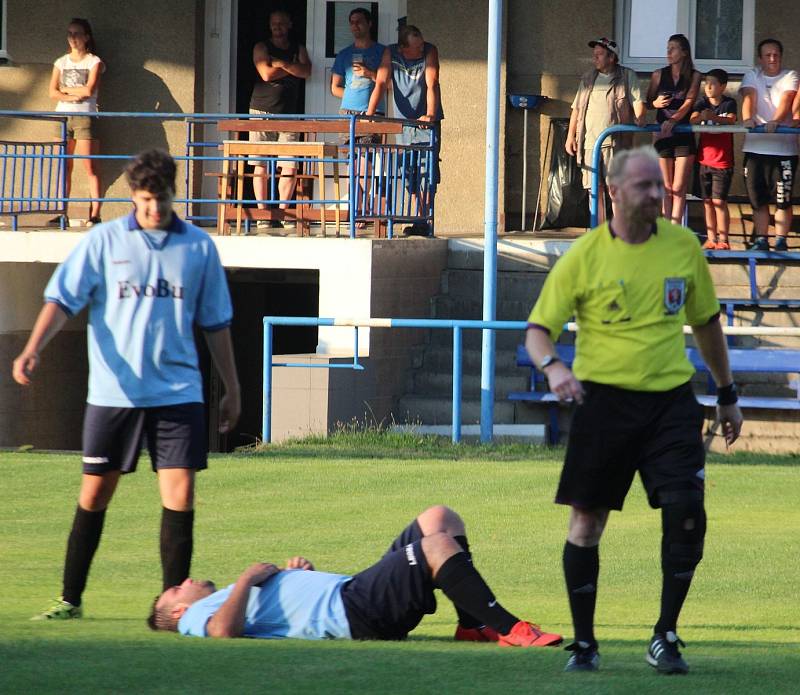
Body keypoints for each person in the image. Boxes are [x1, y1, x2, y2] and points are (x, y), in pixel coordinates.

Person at [525, 146, 743, 674]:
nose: (657, 193)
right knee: (587, 521)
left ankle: (665, 635)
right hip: (604, 403)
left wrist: (727, 392)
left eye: (659, 184)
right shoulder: (584, 256)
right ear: (615, 192)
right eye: (645, 185)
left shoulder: (684, 247)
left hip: (671, 402)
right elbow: (538, 332)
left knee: (687, 513)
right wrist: (555, 368)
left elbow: (707, 323)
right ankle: (584, 644)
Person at [13, 149, 241, 620]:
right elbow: (61, 298)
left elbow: (216, 323)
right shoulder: (105, 242)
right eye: (144, 200)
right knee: (95, 493)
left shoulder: (198, 248)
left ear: (173, 194)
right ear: (133, 197)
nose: (154, 209)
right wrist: (33, 346)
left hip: (178, 394)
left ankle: (171, 609)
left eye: (161, 199)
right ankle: (69, 599)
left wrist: (232, 388)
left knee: (180, 495)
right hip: (113, 395)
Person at [148, 504, 563, 648]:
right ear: (180, 609)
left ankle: (472, 626)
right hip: (357, 613)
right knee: (436, 546)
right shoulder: (195, 619)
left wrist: (294, 577)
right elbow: (223, 633)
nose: (180, 581)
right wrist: (246, 578)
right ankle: (511, 629)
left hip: (352, 592)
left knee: (440, 519)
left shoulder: (224, 601)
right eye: (172, 590)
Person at [369, 25, 443, 237]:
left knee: (426, 170)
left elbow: (432, 82)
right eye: (416, 47)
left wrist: (429, 114)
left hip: (425, 121)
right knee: (408, 170)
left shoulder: (430, 50)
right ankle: (419, 219)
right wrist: (370, 114)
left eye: (421, 45)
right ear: (402, 48)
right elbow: (381, 82)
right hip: (404, 122)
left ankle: (424, 219)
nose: (420, 50)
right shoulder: (391, 53)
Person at [565, 37, 645, 223]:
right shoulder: (588, 79)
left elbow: (638, 102)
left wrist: (640, 117)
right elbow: (576, 109)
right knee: (594, 189)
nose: (595, 58)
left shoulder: (626, 76)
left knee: (615, 188)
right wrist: (571, 136)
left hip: (614, 144)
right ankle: (599, 233)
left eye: (600, 55)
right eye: (594, 55)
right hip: (589, 144)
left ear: (612, 57)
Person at [248, 10, 312, 232]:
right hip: (261, 111)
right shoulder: (262, 47)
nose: (278, 27)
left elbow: (306, 71)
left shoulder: (298, 47)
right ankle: (264, 214)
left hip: (289, 114)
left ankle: (284, 212)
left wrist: (281, 64)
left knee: (289, 164)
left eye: (282, 23)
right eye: (274, 24)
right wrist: (290, 67)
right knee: (260, 163)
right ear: (269, 26)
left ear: (290, 24)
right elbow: (265, 74)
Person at [740, 38, 798, 252]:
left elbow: (787, 99)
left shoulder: (789, 76)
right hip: (755, 149)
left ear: (781, 56)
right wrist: (747, 118)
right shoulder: (752, 75)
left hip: (783, 149)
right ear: (760, 58)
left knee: (783, 198)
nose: (772, 58)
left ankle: (781, 240)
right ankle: (762, 239)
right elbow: (749, 97)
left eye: (776, 54)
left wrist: (775, 120)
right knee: (757, 199)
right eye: (768, 55)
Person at [331, 7, 386, 229]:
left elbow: (388, 84)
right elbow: (334, 88)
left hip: (371, 113)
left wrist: (370, 73)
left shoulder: (381, 51)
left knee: (365, 163)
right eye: (352, 22)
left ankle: (362, 211)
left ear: (369, 24)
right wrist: (351, 94)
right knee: (351, 164)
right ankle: (354, 208)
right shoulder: (344, 54)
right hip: (347, 113)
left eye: (359, 22)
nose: (355, 26)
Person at [48, 17, 105, 227]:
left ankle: (95, 214)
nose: (73, 38)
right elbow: (52, 91)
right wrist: (71, 95)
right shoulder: (61, 62)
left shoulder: (94, 61)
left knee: (90, 166)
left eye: (77, 33)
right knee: (64, 166)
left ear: (86, 37)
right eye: (70, 33)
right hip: (62, 117)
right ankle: (62, 212)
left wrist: (66, 91)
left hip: (84, 117)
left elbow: (89, 90)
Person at [646, 34, 702, 225]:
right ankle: (665, 229)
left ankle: (676, 228)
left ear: (684, 53)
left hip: (683, 133)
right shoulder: (658, 74)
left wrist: (674, 119)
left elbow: (689, 101)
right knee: (666, 186)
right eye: (667, 48)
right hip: (662, 135)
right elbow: (648, 102)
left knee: (679, 187)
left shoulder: (694, 75)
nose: (669, 52)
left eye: (673, 48)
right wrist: (655, 102)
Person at [690, 69, 737, 250]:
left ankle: (723, 239)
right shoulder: (701, 103)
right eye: (706, 83)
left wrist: (714, 117)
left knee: (719, 201)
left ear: (723, 86)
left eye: (713, 83)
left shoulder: (729, 103)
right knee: (707, 201)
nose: (708, 87)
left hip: (723, 161)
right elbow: (692, 119)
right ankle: (711, 238)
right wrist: (701, 116)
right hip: (704, 160)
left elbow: (732, 120)